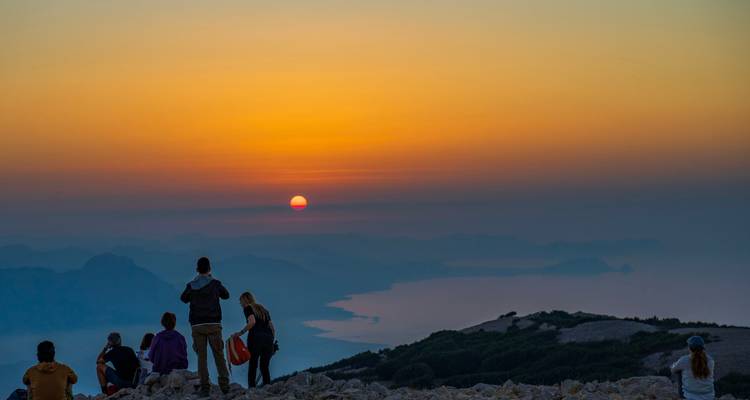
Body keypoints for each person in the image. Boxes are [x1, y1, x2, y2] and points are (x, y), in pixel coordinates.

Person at [180, 257, 231, 396]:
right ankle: (225, 386)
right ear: (209, 269)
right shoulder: (215, 284)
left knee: (202, 358)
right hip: (214, 324)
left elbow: (183, 298)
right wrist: (212, 280)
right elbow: (226, 295)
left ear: (197, 269)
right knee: (219, 355)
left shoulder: (191, 285)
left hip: (197, 325)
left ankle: (205, 388)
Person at [232, 291, 276, 388]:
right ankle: (267, 388)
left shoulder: (248, 308)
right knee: (264, 366)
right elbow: (272, 328)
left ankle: (251, 389)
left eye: (241, 302)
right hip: (268, 339)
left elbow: (252, 322)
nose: (240, 304)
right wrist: (272, 341)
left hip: (255, 339)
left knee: (253, 365)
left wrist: (240, 333)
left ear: (245, 300)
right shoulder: (263, 310)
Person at [671, 336, 715, 400]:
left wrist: (674, 365)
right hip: (709, 396)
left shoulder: (684, 360)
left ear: (689, 348)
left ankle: (682, 398)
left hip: (689, 396)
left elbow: (673, 370)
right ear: (703, 348)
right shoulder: (710, 360)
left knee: (678, 371)